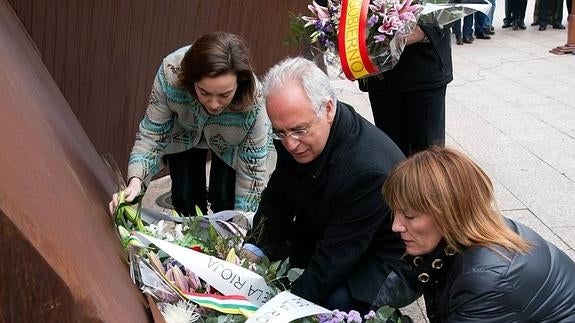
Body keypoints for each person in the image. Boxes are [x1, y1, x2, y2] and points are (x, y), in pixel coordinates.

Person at [242, 57, 420, 315]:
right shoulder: (295, 124)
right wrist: (253, 249)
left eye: (299, 131)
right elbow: (278, 196)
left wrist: (283, 312)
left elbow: (334, 259)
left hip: (389, 256)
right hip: (335, 226)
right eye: (280, 133)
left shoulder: (367, 171)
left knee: (334, 305)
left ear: (327, 109)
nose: (290, 144)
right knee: (272, 266)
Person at [383, 147, 575, 322]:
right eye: (395, 212)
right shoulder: (467, 230)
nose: (396, 226)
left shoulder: (486, 279)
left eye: (409, 215)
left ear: (449, 212)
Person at [109, 32, 275, 216]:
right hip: (184, 131)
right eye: (204, 92)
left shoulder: (254, 99)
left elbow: (253, 174)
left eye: (224, 95)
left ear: (239, 84)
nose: (213, 104)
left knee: (225, 199)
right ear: (191, 79)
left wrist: (243, 229)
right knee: (185, 197)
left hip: (233, 144)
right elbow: (152, 134)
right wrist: (135, 181)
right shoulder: (171, 72)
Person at [365, 23, 453, 156]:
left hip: (424, 67)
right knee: (390, 153)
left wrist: (426, 30)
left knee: (428, 156)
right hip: (380, 72)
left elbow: (450, 6)